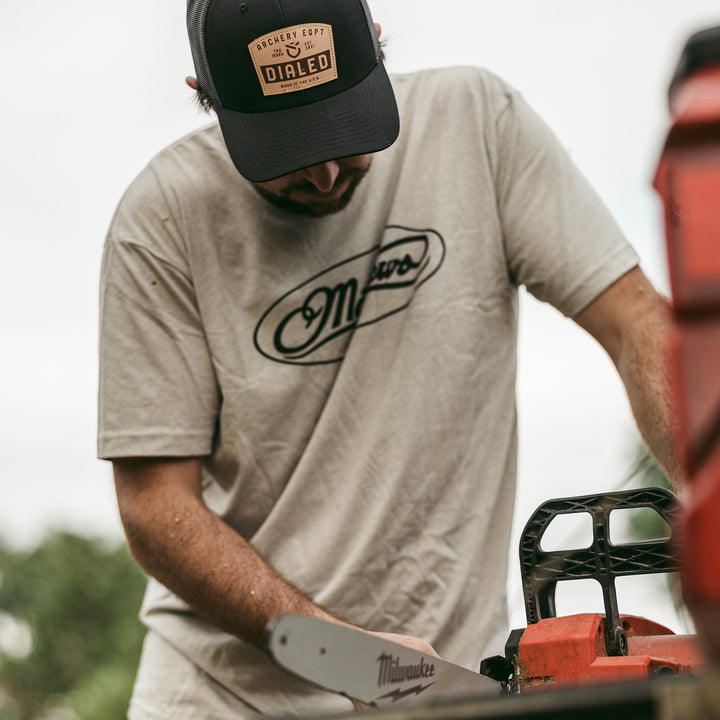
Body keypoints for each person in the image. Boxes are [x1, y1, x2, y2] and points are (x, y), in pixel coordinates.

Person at [98, 0, 681, 717]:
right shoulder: (161, 220)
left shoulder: (477, 126)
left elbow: (637, 324)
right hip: (223, 695)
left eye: (346, 132)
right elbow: (155, 506)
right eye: (289, 150)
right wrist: (344, 655)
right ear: (205, 98)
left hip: (443, 690)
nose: (326, 175)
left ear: (376, 44)